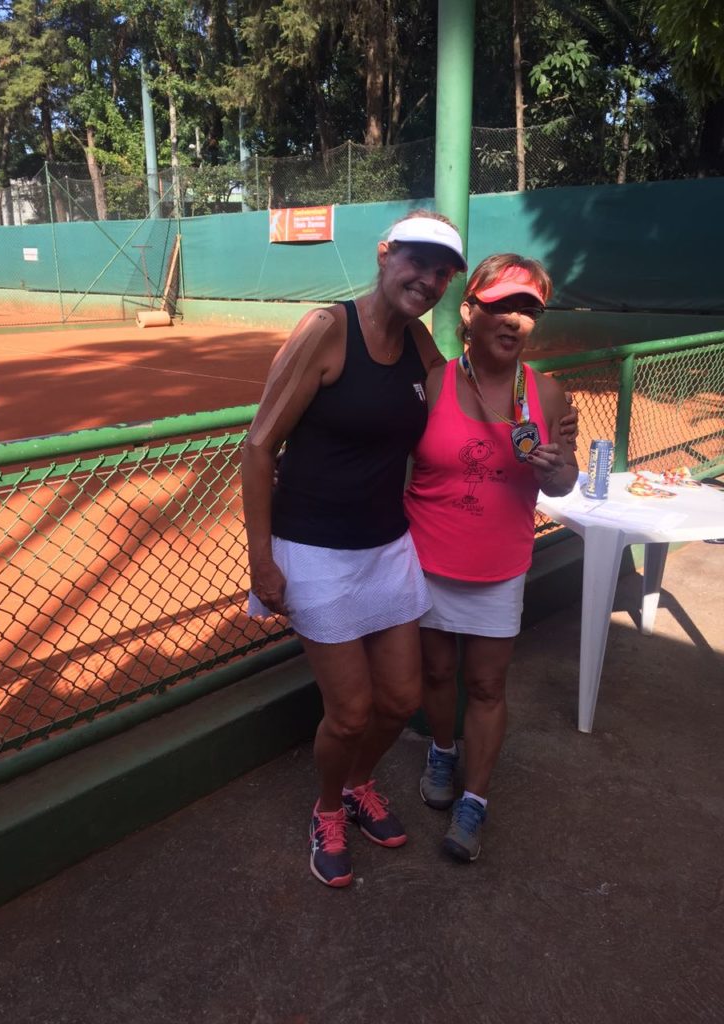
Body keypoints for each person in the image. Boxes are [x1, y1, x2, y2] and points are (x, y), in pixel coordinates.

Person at [241, 218, 577, 889]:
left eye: (440, 272)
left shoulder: (419, 343)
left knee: (399, 701)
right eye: (416, 263)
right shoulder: (326, 329)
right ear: (385, 255)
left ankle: (360, 783)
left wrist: (551, 432)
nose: (426, 280)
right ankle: (328, 810)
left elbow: (459, 394)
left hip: (388, 545)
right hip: (315, 548)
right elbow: (257, 447)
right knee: (351, 713)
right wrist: (262, 561)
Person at [403, 253, 579, 864]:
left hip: (499, 567)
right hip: (427, 560)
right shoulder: (433, 384)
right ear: (470, 312)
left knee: (485, 684)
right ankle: (442, 751)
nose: (514, 320)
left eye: (528, 309)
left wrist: (558, 470)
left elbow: (564, 482)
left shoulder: (546, 393)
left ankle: (474, 800)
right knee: (436, 675)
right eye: (501, 305)